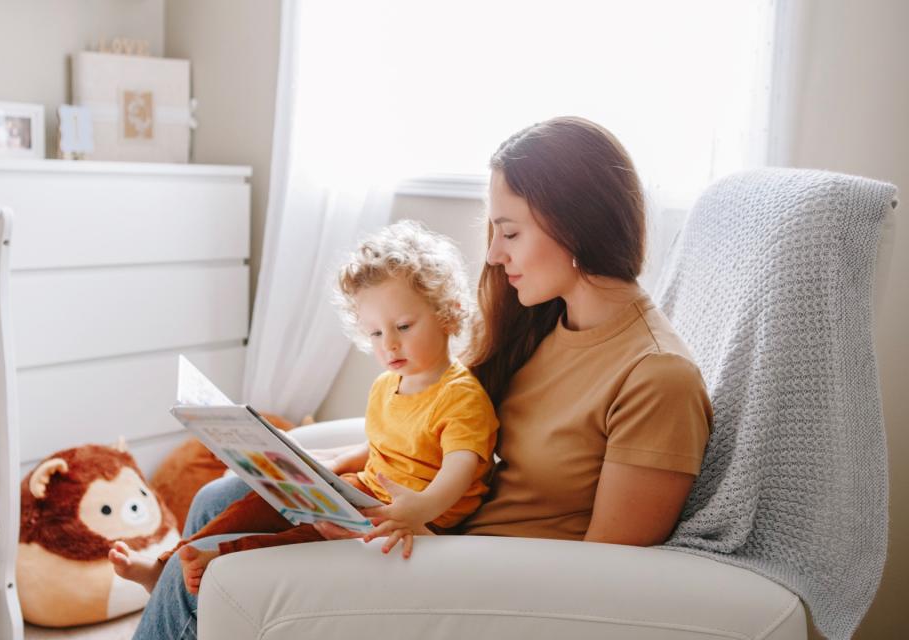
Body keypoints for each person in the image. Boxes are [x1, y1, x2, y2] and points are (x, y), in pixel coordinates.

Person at [133, 116, 713, 639]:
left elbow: (608, 592)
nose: (491, 253)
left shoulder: (656, 378)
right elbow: (440, 426)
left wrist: (419, 539)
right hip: (432, 531)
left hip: (475, 576)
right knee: (221, 495)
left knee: (222, 577)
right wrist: (318, 469)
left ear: (577, 226)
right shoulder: (544, 324)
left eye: (510, 233)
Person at [111, 220, 499, 596]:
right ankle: (165, 565)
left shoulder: (461, 397)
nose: (389, 345)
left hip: (418, 519)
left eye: (403, 326)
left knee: (309, 537)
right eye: (376, 333)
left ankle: (217, 559)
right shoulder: (387, 385)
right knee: (262, 500)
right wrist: (329, 466)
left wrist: (418, 509)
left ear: (446, 313)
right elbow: (383, 445)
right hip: (367, 495)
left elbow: (459, 470)